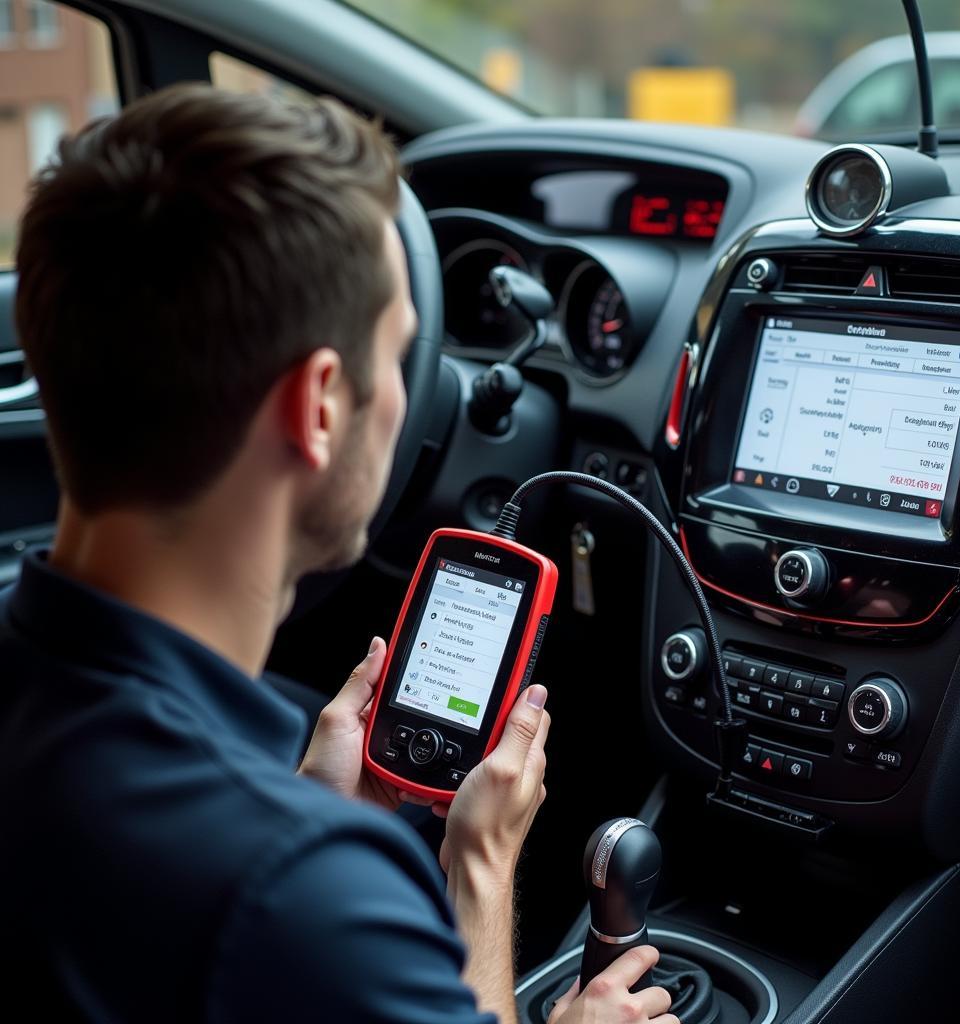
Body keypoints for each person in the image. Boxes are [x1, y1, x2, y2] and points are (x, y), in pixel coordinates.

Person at [0, 83, 677, 1024]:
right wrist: (476, 868)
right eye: (402, 357)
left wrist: (334, 820)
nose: (413, 396)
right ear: (318, 407)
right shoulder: (303, 899)